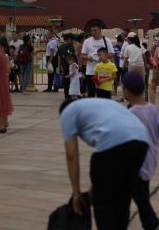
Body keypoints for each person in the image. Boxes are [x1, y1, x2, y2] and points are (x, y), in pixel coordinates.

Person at [59, 97, 149, 230]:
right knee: (122, 197)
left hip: (114, 142)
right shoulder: (98, 103)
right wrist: (92, 190)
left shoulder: (67, 112)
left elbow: (71, 155)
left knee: (102, 201)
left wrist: (76, 193)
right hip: (141, 141)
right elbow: (108, 171)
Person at [123, 71, 159, 230]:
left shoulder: (130, 114)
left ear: (127, 91)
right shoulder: (153, 109)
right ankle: (149, 223)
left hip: (134, 162)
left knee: (139, 196)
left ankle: (153, 223)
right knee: (140, 193)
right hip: (150, 160)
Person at [80, 24, 114, 98]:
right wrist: (88, 57)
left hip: (103, 72)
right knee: (91, 93)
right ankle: (92, 108)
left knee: (103, 93)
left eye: (95, 30)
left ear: (100, 31)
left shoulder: (106, 40)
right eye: (91, 31)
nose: (93, 32)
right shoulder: (87, 41)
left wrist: (102, 58)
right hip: (91, 72)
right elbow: (82, 55)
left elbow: (112, 53)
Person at [58, 33, 78, 100]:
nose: (73, 42)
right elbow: (73, 57)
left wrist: (59, 67)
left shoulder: (61, 46)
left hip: (64, 66)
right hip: (70, 67)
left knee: (66, 81)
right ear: (69, 39)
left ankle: (66, 95)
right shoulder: (70, 47)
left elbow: (59, 58)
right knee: (71, 81)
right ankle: (70, 95)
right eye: (72, 40)